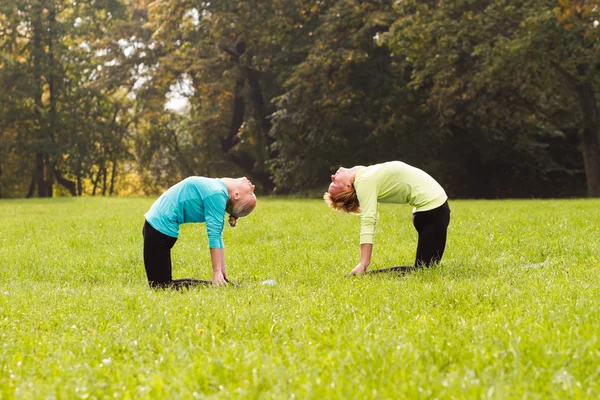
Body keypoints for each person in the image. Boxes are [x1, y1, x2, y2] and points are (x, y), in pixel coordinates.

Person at [324, 161, 450, 276]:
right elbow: (368, 220)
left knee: (426, 269)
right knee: (423, 271)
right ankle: (363, 275)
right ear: (347, 186)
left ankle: (363, 276)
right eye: (334, 183)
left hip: (430, 211)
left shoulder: (363, 173)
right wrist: (364, 263)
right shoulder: (364, 181)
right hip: (433, 212)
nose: (332, 177)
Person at [142, 176, 256, 288]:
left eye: (251, 193)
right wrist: (219, 271)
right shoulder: (218, 189)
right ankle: (221, 285)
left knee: (160, 286)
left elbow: (216, 236)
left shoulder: (217, 194)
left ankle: (220, 285)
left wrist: (219, 272)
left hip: (158, 228)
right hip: (158, 227)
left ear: (237, 195)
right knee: (160, 285)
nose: (253, 187)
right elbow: (217, 236)